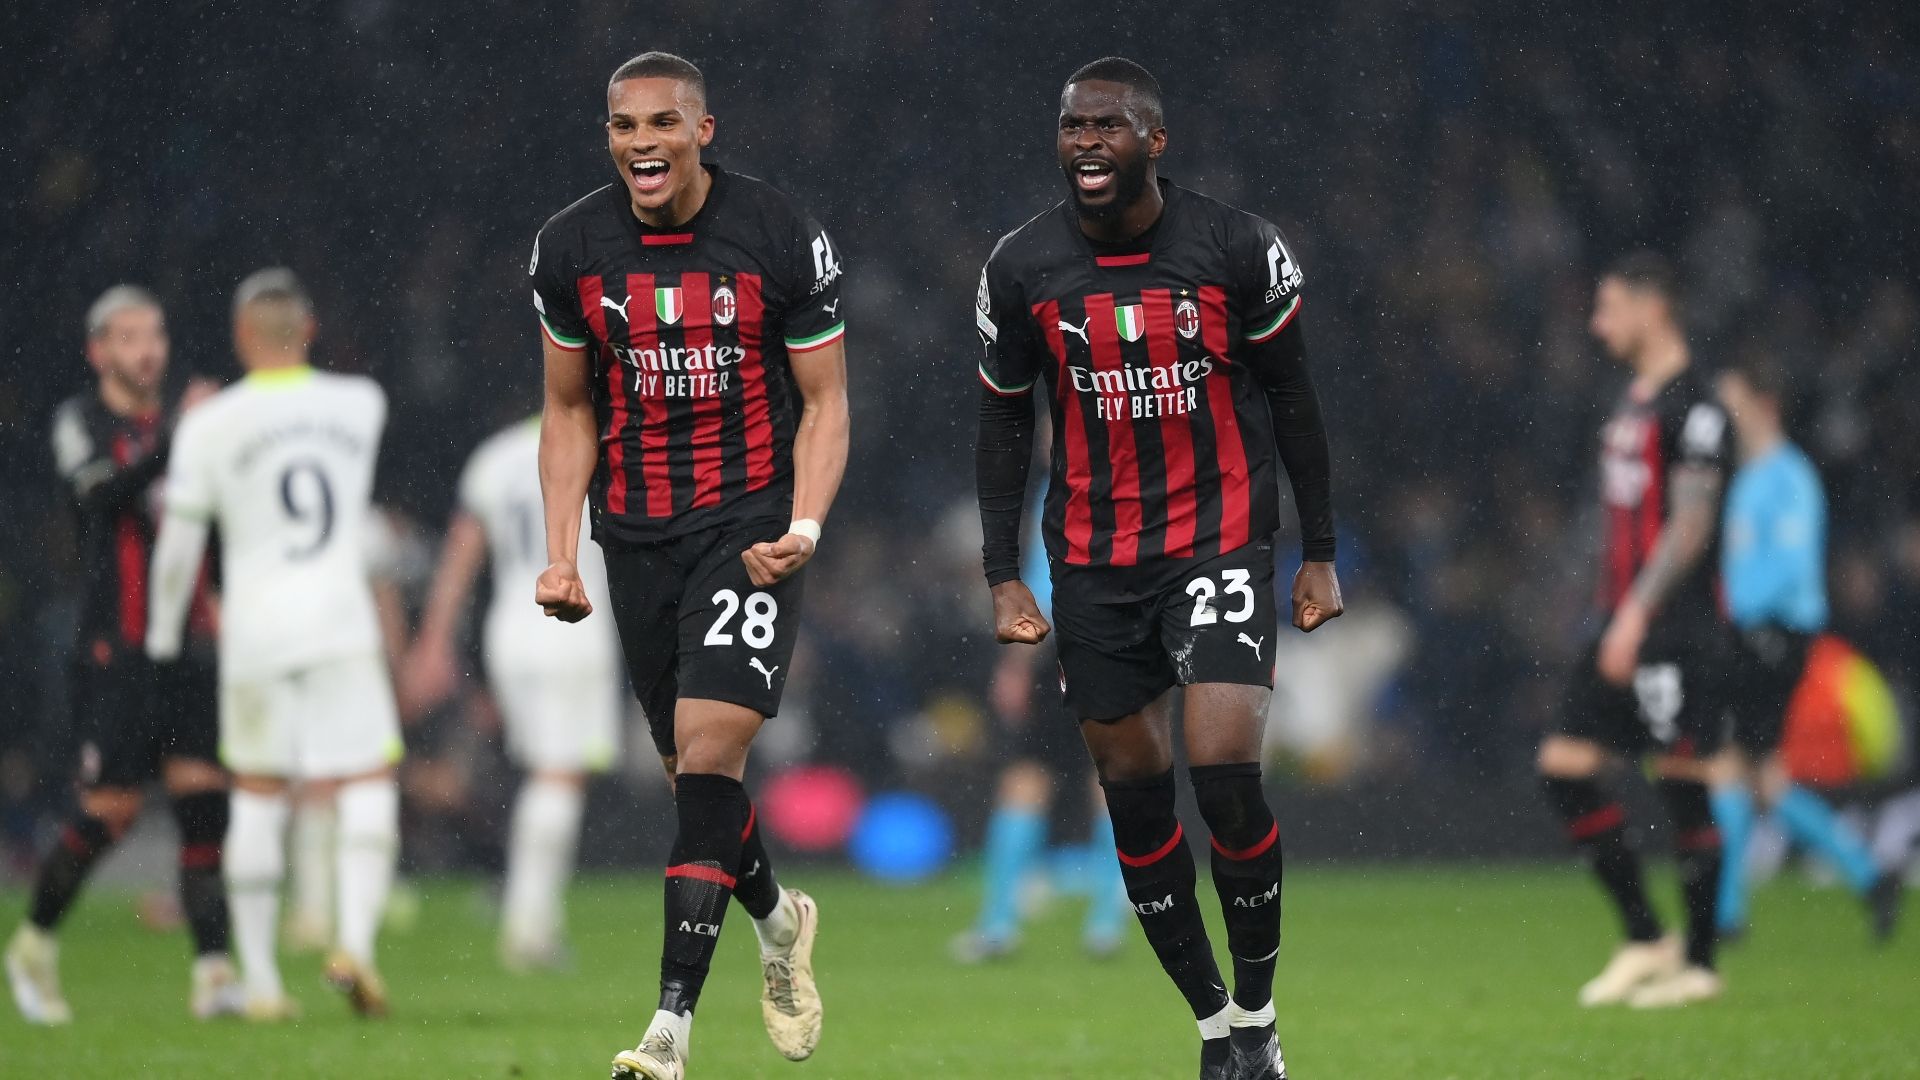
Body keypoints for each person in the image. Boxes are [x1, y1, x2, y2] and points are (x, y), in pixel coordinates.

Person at [974, 57, 1341, 1080]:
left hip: (1219, 539)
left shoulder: (1236, 247)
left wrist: (1318, 550)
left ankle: (1259, 1013)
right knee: (1135, 799)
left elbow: (1294, 399)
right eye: (1072, 126)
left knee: (1223, 774)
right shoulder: (1021, 265)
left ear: (1155, 140)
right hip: (1094, 563)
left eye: (1108, 125)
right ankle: (1215, 1024)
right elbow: (1003, 426)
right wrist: (1002, 572)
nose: (1087, 142)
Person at [530, 51, 848, 1080]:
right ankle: (780, 919)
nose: (643, 143)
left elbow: (826, 402)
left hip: (749, 531)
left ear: (702, 130)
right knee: (692, 782)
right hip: (636, 537)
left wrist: (805, 527)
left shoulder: (778, 232)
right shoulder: (570, 247)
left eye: (663, 122)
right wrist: (561, 553)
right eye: (625, 126)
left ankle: (669, 1031)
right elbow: (567, 409)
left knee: (710, 758)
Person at [146, 269, 399, 1021]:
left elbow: (178, 548)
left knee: (257, 794)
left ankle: (259, 983)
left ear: (240, 337)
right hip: (340, 619)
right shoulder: (361, 404)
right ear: (309, 331)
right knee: (366, 780)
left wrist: (162, 643)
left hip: (254, 628)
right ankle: (354, 944)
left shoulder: (210, 424)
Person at [5, 286, 238, 1025]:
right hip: (118, 648)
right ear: (97, 350)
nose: (146, 350)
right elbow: (99, 497)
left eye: (155, 335)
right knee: (111, 812)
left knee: (205, 803)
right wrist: (179, 434)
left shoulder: (189, 429)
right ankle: (33, 945)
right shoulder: (81, 422)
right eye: (129, 337)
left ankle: (214, 974)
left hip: (190, 645)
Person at [1537, 252, 1731, 1009]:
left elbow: (1691, 524)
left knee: (1683, 784)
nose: (1598, 324)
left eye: (1610, 308)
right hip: (1617, 619)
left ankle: (1702, 965)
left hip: (1672, 630)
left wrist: (1639, 613)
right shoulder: (1631, 401)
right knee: (1562, 767)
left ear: (1653, 309)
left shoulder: (1698, 408)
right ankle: (1647, 936)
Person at [405, 414, 623, 970]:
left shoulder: (495, 457)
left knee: (541, 773)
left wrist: (434, 640)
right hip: (574, 622)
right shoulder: (606, 444)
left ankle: (530, 915)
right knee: (559, 775)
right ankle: (528, 927)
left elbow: (461, 555)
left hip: (512, 628)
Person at [1709, 359, 1903, 942]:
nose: (1724, 418)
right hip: (1756, 634)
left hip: (1773, 634)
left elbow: (1791, 565)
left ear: (1765, 406)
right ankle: (1869, 877)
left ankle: (1726, 913)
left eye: (1733, 404)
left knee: (1729, 765)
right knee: (1760, 775)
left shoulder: (1789, 477)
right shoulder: (1748, 477)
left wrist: (1735, 612)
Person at [951, 491, 1128, 964]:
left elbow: (1039, 583)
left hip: (1057, 646)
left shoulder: (1062, 486)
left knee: (1029, 778)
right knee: (1109, 779)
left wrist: (1016, 664)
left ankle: (998, 923)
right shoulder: (1135, 474)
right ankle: (1107, 922)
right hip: (1119, 641)